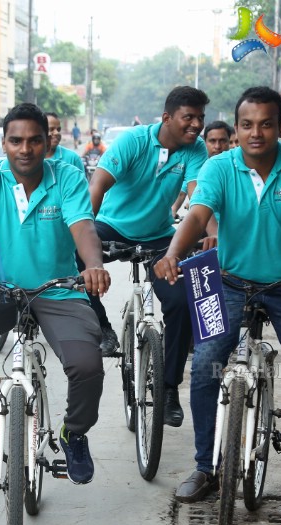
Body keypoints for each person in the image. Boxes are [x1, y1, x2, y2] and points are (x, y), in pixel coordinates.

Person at [153, 86, 281, 525]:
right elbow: (196, 213)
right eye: (247, 124)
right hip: (227, 282)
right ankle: (205, 467)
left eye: (266, 124)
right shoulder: (218, 167)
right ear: (236, 128)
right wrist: (173, 253)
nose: (255, 133)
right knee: (206, 363)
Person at [0, 103, 111, 484]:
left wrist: (93, 265)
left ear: (48, 143)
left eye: (34, 140)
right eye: (16, 141)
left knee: (87, 365)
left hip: (58, 290)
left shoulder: (66, 176)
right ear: (4, 144)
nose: (25, 149)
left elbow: (83, 228)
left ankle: (74, 434)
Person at [88, 85, 210, 428]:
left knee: (182, 300)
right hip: (111, 227)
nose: (197, 125)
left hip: (160, 236)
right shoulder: (133, 141)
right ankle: (102, 327)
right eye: (189, 117)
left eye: (201, 117)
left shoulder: (194, 149)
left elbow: (197, 196)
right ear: (168, 118)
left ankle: (169, 388)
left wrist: (210, 230)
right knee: (74, 258)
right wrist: (87, 240)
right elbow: (97, 186)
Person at [171, 120, 232, 216]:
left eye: (222, 141)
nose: (217, 146)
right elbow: (182, 192)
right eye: (212, 141)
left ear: (229, 141)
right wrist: (173, 210)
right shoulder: (197, 167)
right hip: (205, 222)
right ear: (205, 142)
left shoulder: (237, 167)